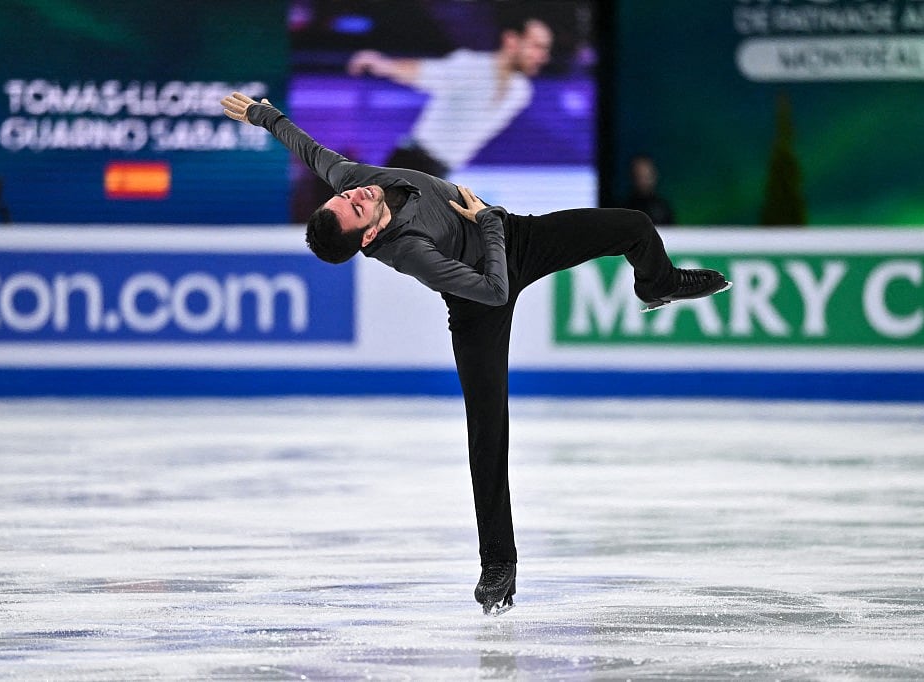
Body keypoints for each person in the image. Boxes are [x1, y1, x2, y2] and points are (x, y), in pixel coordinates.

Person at [221, 91, 731, 615]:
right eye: (355, 206)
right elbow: (493, 291)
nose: (358, 192)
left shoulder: (350, 182)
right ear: (370, 233)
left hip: (518, 236)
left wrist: (264, 115)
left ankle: (657, 283)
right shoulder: (410, 249)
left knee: (633, 226)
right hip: (478, 297)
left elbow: (307, 150)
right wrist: (486, 221)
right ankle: (498, 564)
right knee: (488, 431)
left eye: (345, 196)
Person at [346, 17, 553, 177]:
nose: (543, 56)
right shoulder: (472, 66)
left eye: (545, 49)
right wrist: (382, 65)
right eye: (536, 46)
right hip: (412, 163)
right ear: (511, 40)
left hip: (441, 172)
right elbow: (424, 73)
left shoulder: (521, 92)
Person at [623, 155, 674, 225]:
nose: (643, 180)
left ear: (654, 175)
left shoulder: (663, 208)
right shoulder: (624, 208)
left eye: (647, 175)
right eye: (639, 176)